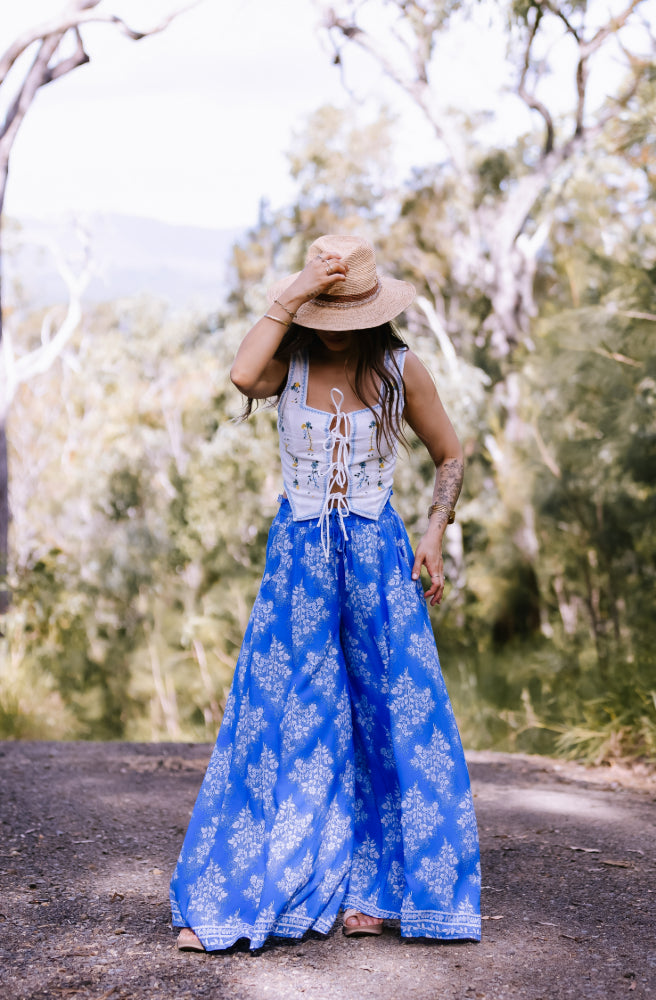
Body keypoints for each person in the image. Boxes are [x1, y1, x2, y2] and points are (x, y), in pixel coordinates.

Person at [170, 234, 481, 951]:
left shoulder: (402, 370)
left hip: (379, 557)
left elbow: (450, 454)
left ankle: (384, 891)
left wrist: (434, 531)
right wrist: (292, 291)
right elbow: (241, 372)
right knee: (281, 714)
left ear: (373, 314)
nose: (330, 328)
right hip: (301, 564)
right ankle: (251, 888)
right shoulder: (289, 365)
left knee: (393, 711)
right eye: (319, 310)